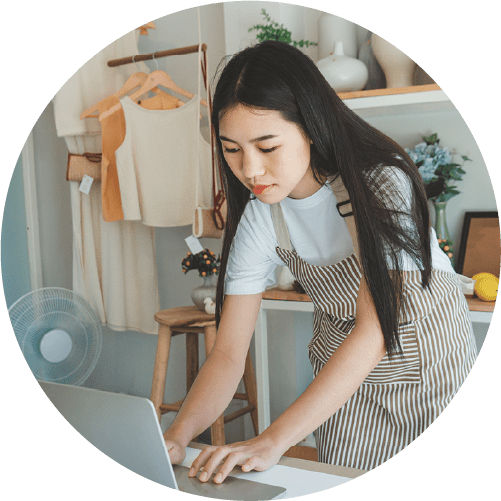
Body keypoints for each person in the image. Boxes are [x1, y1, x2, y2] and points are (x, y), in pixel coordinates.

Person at [163, 40, 477, 484]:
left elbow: (374, 330)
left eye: (267, 147)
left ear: (310, 126)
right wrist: (177, 436)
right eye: (232, 150)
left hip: (426, 361)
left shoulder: (379, 183)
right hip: (342, 372)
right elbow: (229, 354)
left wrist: (272, 439)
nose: (250, 170)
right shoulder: (260, 216)